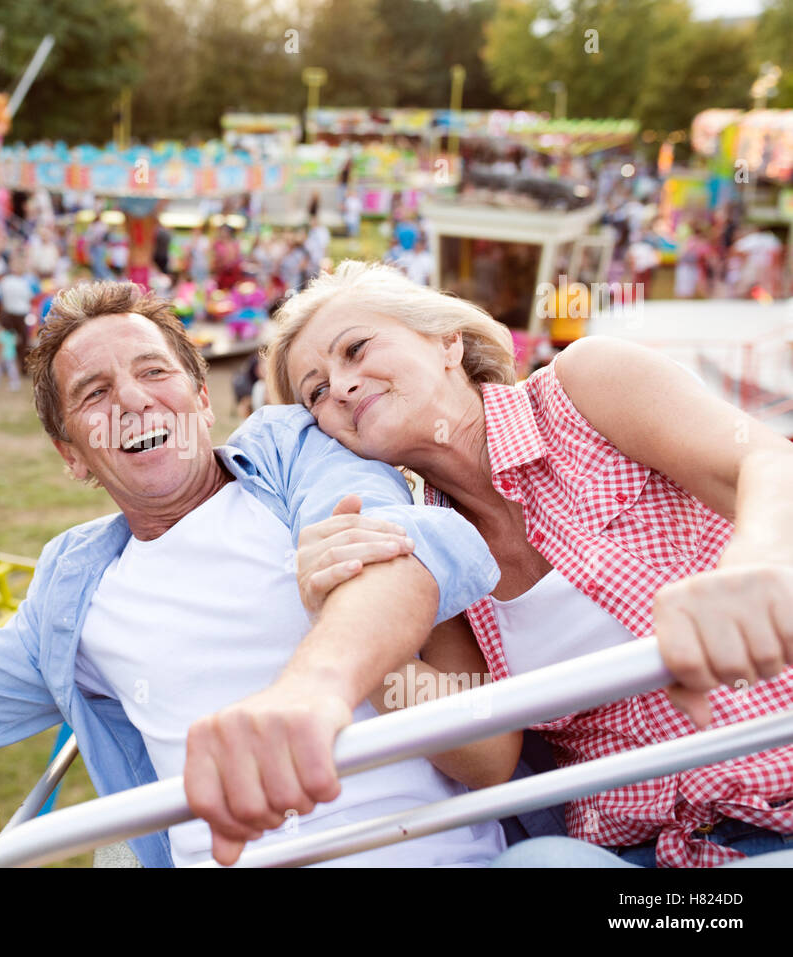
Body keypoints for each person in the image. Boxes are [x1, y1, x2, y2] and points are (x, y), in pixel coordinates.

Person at [0, 280, 509, 869]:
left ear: (199, 395)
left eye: (153, 373)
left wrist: (308, 692)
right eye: (94, 392)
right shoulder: (75, 591)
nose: (132, 401)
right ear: (74, 457)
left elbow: (394, 547)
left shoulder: (290, 451)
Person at [267, 260, 793, 867]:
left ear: (447, 343)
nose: (341, 387)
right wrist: (343, 616)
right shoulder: (424, 551)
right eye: (317, 392)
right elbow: (488, 752)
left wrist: (753, 566)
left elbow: (764, 464)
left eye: (356, 349)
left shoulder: (583, 388)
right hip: (650, 852)